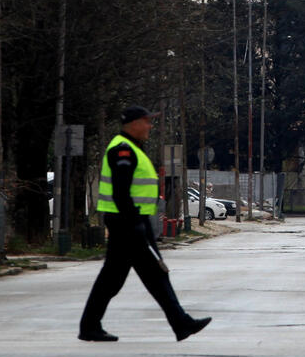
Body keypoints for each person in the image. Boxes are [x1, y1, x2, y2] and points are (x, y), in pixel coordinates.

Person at [79, 105, 211, 342]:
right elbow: (121, 193)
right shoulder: (123, 150)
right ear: (133, 123)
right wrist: (134, 223)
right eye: (146, 121)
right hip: (127, 222)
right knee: (155, 274)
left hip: (134, 221)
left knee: (114, 278)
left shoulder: (133, 149)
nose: (150, 126)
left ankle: (89, 325)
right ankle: (181, 323)